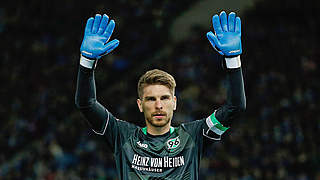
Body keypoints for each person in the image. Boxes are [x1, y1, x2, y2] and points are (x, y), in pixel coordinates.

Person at [75, 10, 246, 180]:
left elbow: (235, 107)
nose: (158, 105)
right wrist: (87, 61)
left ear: (175, 102)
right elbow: (86, 103)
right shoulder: (122, 136)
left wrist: (233, 61)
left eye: (164, 98)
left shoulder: (194, 136)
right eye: (150, 99)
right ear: (140, 104)